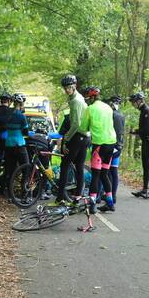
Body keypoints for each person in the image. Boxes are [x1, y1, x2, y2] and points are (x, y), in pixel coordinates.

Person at [82, 86, 117, 213]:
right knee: (104, 174)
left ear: (91, 98)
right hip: (111, 143)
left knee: (95, 175)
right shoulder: (108, 107)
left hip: (99, 144)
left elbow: (83, 128)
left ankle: (92, 205)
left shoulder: (90, 109)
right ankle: (110, 203)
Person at [57, 75, 89, 204]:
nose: (66, 90)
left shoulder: (76, 101)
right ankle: (77, 197)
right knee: (79, 166)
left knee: (64, 165)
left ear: (74, 86)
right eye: (65, 88)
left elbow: (75, 124)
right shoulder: (79, 97)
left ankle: (60, 198)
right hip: (86, 136)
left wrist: (66, 138)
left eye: (69, 88)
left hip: (78, 136)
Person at [129, 92, 149, 199]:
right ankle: (145, 189)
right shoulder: (142, 111)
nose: (133, 104)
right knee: (145, 165)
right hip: (145, 141)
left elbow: (147, 129)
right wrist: (135, 132)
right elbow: (144, 129)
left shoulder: (147, 111)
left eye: (133, 102)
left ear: (139, 101)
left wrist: (136, 131)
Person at [1, 96, 30, 195]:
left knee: (10, 168)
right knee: (26, 166)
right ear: (21, 104)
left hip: (8, 144)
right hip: (19, 144)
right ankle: (24, 190)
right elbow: (26, 132)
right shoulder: (21, 116)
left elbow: (5, 127)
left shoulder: (7, 115)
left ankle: (8, 192)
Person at [108, 95, 124, 199]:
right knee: (113, 171)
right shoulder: (121, 115)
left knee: (107, 171)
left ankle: (107, 194)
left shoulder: (112, 115)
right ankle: (113, 195)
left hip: (112, 145)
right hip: (119, 146)